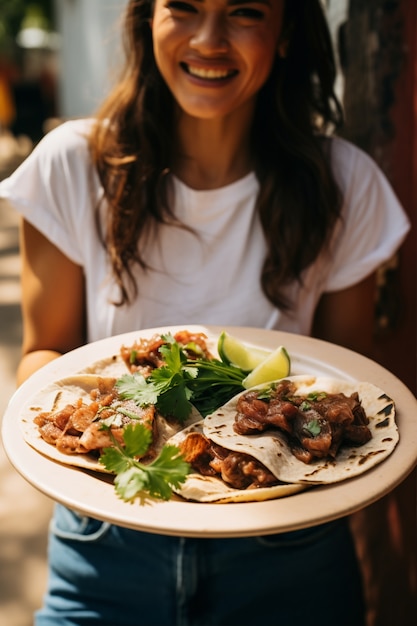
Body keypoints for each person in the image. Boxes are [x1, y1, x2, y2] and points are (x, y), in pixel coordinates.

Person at [0, 1, 410, 624]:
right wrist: (106, 425)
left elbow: (350, 394)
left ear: (286, 29)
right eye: (184, 7)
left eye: (244, 11)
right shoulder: (71, 166)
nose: (209, 40)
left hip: (291, 555)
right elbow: (42, 357)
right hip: (105, 547)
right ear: (146, 20)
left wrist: (383, 569)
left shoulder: (343, 184)